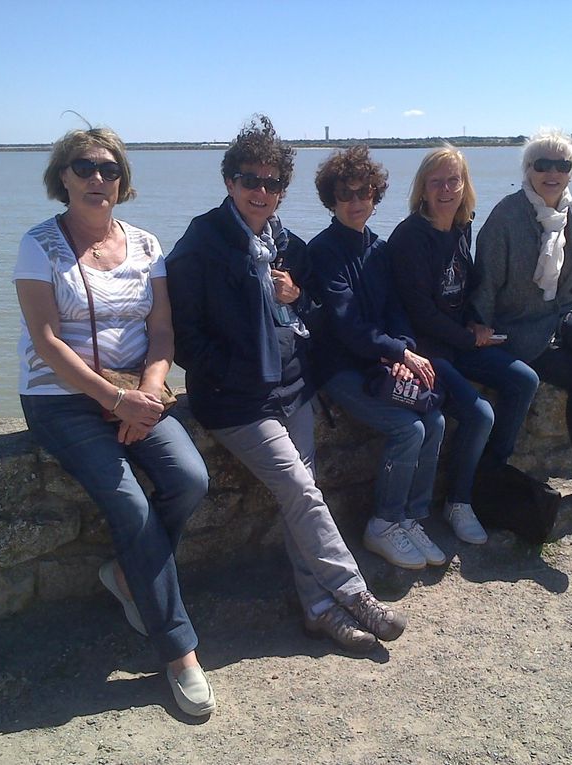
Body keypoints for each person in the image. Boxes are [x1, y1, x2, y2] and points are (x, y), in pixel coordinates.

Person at [166, 116, 405, 653]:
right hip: (236, 401)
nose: (262, 191)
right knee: (300, 489)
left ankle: (319, 610)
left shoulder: (288, 246)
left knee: (304, 496)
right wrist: (235, 372)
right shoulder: (200, 245)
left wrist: (298, 298)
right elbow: (183, 338)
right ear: (229, 182)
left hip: (293, 390)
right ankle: (352, 592)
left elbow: (322, 319)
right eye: (250, 180)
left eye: (273, 183)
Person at [14, 127, 215, 716]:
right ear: (63, 177)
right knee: (131, 506)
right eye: (84, 167)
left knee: (189, 480)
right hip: (60, 398)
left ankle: (129, 575)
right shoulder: (38, 245)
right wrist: (112, 400)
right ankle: (180, 652)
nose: (98, 178)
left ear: (123, 180)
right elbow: (47, 342)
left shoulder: (147, 245)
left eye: (109, 168)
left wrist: (149, 391)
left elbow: (161, 332)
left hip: (135, 392)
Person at [387, 146, 541, 541]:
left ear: (464, 184)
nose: (445, 189)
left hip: (460, 341)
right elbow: (420, 311)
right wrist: (468, 336)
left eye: (453, 180)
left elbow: (466, 286)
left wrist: (476, 322)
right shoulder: (409, 238)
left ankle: (489, 475)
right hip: (429, 350)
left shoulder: (462, 225)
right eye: (435, 182)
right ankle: (458, 501)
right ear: (422, 188)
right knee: (480, 415)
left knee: (523, 380)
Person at [306, 146, 447, 571]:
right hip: (341, 368)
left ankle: (411, 516)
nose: (356, 202)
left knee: (435, 420)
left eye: (364, 193)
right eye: (346, 195)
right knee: (407, 430)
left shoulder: (380, 250)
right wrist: (397, 351)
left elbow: (397, 312)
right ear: (331, 200)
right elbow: (347, 324)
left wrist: (403, 352)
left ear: (375, 196)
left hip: (381, 363)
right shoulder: (323, 252)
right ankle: (383, 523)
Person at [470, 128, 572, 519]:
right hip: (519, 327)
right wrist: (481, 333)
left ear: (571, 172)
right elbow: (485, 282)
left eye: (562, 165)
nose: (552, 173)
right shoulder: (506, 215)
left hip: (563, 316)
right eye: (543, 165)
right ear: (529, 169)